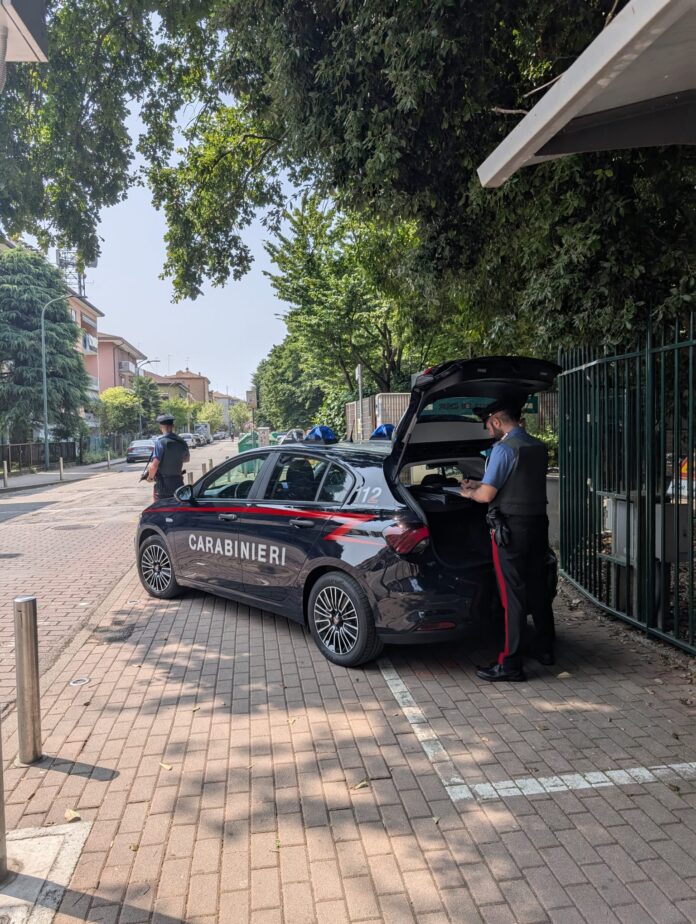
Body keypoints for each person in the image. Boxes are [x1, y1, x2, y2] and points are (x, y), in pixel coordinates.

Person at [460, 400, 555, 682]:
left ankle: (510, 663)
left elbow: (488, 496)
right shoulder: (536, 447)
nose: (488, 429)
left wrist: (468, 493)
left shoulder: (503, 449)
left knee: (512, 595)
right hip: (538, 525)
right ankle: (545, 649)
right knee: (538, 588)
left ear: (498, 421)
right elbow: (515, 482)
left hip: (510, 531)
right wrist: (479, 484)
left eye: (488, 424)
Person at [146, 413, 190, 501]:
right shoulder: (181, 441)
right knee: (176, 510)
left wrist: (150, 477)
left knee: (160, 511)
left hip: (163, 487)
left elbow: (154, 465)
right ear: (173, 426)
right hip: (178, 483)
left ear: (161, 427)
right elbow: (187, 459)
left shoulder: (160, 442)